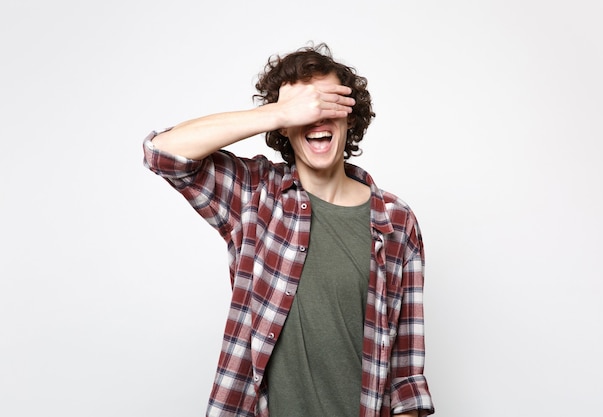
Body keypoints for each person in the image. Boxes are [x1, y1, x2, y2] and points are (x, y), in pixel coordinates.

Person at [143, 43, 434, 417]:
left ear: (351, 117)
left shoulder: (395, 221)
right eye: (305, 108)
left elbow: (405, 378)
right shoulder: (255, 194)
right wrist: (278, 111)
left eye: (328, 105)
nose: (316, 118)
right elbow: (162, 153)